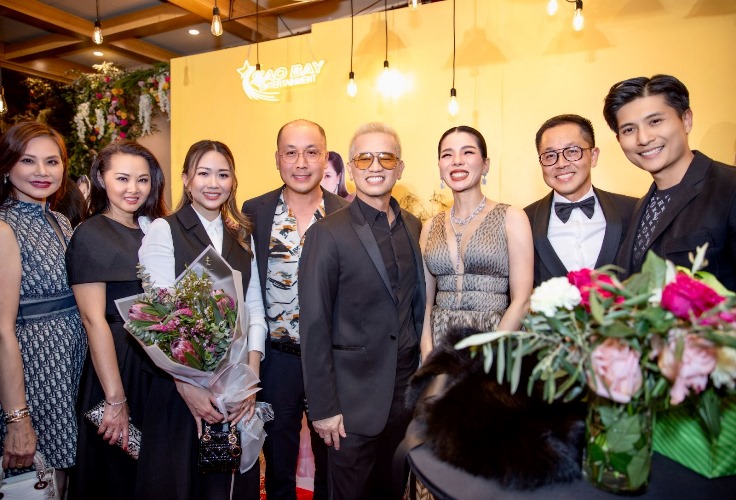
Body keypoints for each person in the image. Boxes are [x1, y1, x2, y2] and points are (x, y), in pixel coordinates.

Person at [299, 122, 426, 499]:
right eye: (364, 158)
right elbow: (314, 325)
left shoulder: (414, 227)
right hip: (350, 403)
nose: (375, 166)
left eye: (385, 157)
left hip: (404, 396)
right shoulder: (327, 233)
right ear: (351, 168)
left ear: (399, 168)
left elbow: (416, 306)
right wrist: (323, 407)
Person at [137, 140, 267, 500]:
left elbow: (254, 308)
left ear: (233, 181)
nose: (213, 183)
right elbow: (158, 315)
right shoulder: (165, 230)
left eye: (222, 175)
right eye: (203, 173)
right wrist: (187, 384)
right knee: (182, 485)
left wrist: (250, 378)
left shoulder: (242, 235)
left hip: (234, 387)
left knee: (228, 488)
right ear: (186, 179)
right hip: (180, 391)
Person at [242, 120, 347, 500]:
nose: (301, 163)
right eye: (291, 153)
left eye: (311, 152)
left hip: (330, 362)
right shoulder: (253, 212)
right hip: (276, 361)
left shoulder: (345, 214)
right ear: (277, 159)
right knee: (278, 465)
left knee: (333, 460)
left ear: (325, 157)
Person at [66, 142, 167, 499]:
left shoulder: (156, 229)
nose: (133, 189)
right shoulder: (91, 234)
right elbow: (93, 320)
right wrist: (114, 398)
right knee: (116, 475)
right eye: (122, 178)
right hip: (117, 365)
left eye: (143, 179)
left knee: (154, 475)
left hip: (157, 365)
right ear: (101, 178)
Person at [0, 122, 87, 492]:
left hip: (71, 371)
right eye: (28, 161)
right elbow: (2, 330)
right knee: (37, 484)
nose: (42, 171)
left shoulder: (61, 220)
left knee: (62, 484)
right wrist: (17, 418)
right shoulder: (4, 228)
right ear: (6, 167)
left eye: (52, 161)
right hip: (35, 376)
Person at [603, 74, 736, 290]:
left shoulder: (729, 187)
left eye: (655, 121)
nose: (643, 138)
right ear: (619, 140)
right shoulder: (641, 206)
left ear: (686, 120)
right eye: (629, 130)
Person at [420, 125, 533, 358]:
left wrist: (487, 357)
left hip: (497, 341)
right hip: (441, 342)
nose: (457, 161)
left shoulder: (511, 217)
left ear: (485, 164)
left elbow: (522, 300)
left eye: (468, 152)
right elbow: (425, 303)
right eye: (447, 154)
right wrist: (427, 353)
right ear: (440, 167)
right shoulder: (430, 226)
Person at [524, 115, 637, 287]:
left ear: (593, 156)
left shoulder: (634, 211)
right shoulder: (523, 221)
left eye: (572, 151)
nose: (561, 163)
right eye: (550, 155)